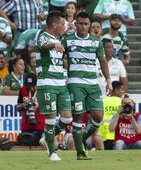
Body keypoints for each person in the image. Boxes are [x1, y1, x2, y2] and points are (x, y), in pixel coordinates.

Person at [63, 12, 112, 160]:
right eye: (81, 23)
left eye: (86, 24)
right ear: (75, 24)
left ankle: (82, 138)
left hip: (93, 84)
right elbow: (58, 58)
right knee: (78, 116)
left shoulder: (96, 42)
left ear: (89, 25)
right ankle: (80, 152)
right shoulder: (68, 40)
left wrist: (108, 80)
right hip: (75, 83)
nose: (83, 26)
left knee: (98, 117)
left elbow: (103, 61)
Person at [35, 11, 72, 161]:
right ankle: (52, 152)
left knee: (67, 118)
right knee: (50, 120)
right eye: (62, 24)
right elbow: (44, 46)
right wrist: (54, 44)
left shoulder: (59, 39)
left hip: (60, 84)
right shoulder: (43, 36)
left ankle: (46, 137)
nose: (64, 27)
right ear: (55, 24)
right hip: (47, 83)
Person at [16, 73, 45, 146]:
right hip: (26, 125)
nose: (30, 88)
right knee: (25, 142)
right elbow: (17, 107)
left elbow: (49, 106)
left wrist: (38, 106)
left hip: (40, 125)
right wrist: (23, 105)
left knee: (41, 144)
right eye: (28, 86)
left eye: (32, 86)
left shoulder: (42, 90)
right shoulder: (23, 89)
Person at [99, 80, 124, 150]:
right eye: (121, 89)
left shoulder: (103, 102)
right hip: (118, 135)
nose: (123, 92)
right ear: (116, 90)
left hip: (104, 135)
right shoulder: (122, 103)